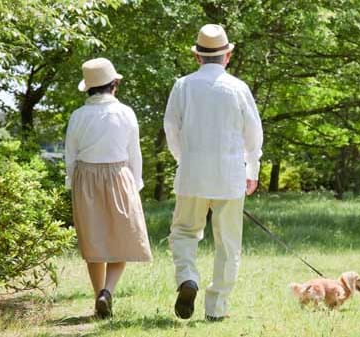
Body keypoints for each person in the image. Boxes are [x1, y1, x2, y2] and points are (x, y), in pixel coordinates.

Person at [164, 24, 263, 321]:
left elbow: (171, 128)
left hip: (192, 173)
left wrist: (184, 158)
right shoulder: (238, 88)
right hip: (230, 173)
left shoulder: (182, 85)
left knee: (183, 232)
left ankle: (187, 278)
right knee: (228, 243)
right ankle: (216, 308)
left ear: (197, 57)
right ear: (228, 55)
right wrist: (253, 168)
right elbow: (253, 134)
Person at [65, 57, 152, 319]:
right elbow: (134, 153)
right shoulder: (125, 113)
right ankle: (108, 292)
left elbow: (70, 155)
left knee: (95, 241)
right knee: (121, 239)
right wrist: (136, 185)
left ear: (89, 88)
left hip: (86, 177)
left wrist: (73, 185)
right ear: (114, 84)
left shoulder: (78, 115)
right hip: (118, 174)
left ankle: (97, 296)